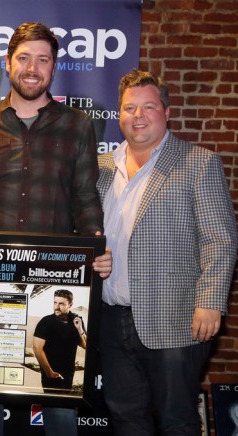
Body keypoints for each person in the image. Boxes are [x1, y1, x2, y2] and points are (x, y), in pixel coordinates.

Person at [0, 22, 111, 436]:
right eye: (24, 58)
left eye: (43, 59)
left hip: (55, 284)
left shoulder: (77, 125)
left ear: (54, 67)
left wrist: (95, 246)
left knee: (59, 403)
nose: (33, 68)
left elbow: (85, 197)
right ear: (8, 62)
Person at [97, 69, 237, 435]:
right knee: (126, 419)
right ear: (119, 113)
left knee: (176, 420)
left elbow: (220, 240)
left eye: (148, 107)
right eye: (129, 108)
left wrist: (210, 300)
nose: (138, 116)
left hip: (175, 318)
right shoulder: (100, 168)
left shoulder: (198, 163)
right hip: (110, 318)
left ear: (166, 112)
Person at [33, 289, 86, 394]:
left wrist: (80, 329)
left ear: (70, 304)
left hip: (68, 373)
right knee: (52, 404)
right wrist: (49, 372)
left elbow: (85, 345)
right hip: (51, 374)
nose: (56, 307)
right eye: (55, 302)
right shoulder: (46, 322)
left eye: (61, 304)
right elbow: (37, 348)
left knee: (64, 402)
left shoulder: (76, 320)